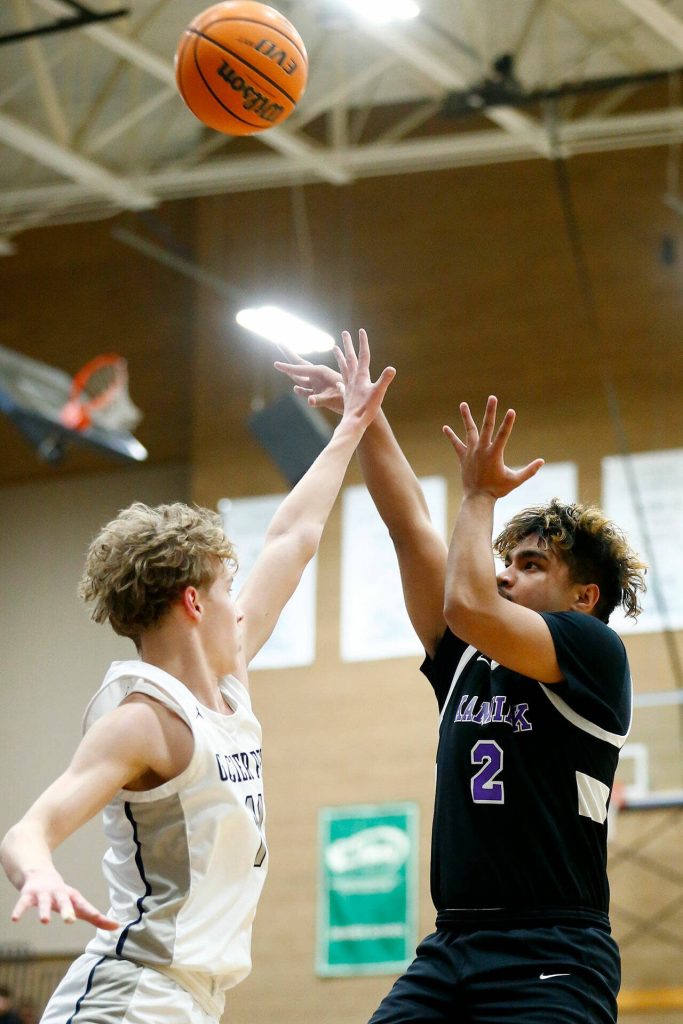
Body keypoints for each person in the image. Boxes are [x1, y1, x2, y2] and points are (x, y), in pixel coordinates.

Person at [0, 332, 394, 1024]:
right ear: (192, 601)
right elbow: (30, 828)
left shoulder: (229, 673)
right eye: (226, 581)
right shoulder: (144, 720)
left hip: (191, 1000)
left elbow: (292, 539)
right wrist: (39, 874)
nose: (236, 597)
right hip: (131, 995)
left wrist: (352, 427)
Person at [275, 340, 646, 1023]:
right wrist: (366, 419)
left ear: (583, 597)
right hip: (450, 944)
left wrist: (479, 494)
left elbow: (466, 601)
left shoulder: (593, 653)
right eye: (503, 559)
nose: (504, 572)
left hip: (553, 944)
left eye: (530, 564)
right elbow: (410, 529)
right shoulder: (471, 661)